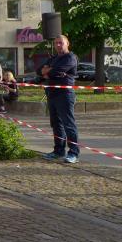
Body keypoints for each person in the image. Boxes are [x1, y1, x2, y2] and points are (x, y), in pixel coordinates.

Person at [37, 35, 79, 163]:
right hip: (52, 93)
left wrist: (48, 71)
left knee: (68, 124)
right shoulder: (53, 58)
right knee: (56, 124)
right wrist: (48, 71)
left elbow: (56, 71)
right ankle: (58, 151)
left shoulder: (70, 57)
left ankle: (73, 153)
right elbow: (38, 70)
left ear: (67, 43)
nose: (58, 45)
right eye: (56, 43)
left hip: (65, 94)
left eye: (61, 43)